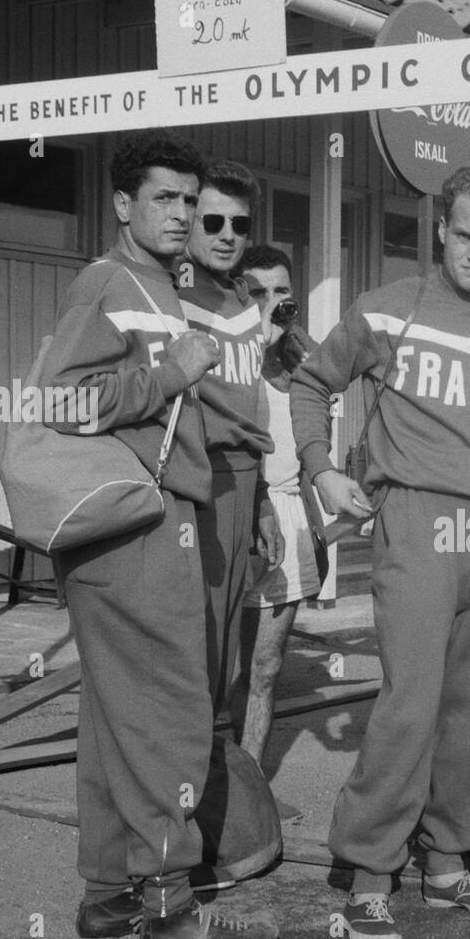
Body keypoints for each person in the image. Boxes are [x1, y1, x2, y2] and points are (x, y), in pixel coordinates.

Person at [291, 162, 470, 939]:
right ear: (441, 229)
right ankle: (369, 871)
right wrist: (323, 468)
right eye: (465, 236)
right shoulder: (386, 311)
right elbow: (311, 384)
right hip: (413, 516)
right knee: (411, 698)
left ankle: (450, 859)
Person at [42, 129, 279, 939]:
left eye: (189, 199)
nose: (182, 215)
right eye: (164, 200)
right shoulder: (107, 282)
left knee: (117, 716)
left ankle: (108, 893)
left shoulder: (158, 283)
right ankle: (174, 907)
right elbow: (61, 403)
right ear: (122, 206)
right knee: (171, 707)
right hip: (134, 526)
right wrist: (172, 374)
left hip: (145, 517)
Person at [179, 162, 282, 716]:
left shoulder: (243, 300)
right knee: (192, 647)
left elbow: (253, 405)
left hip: (243, 483)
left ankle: (211, 778)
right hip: (197, 484)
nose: (226, 235)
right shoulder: (171, 292)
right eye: (213, 220)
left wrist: (262, 497)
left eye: (239, 225)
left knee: (224, 655)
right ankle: (179, 790)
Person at [232, 245, 323, 769]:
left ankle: (249, 786)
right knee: (221, 666)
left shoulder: (304, 360)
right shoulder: (233, 357)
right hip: (236, 513)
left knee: (265, 668)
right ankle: (205, 788)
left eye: (282, 291)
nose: (273, 302)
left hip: (288, 519)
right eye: (259, 292)